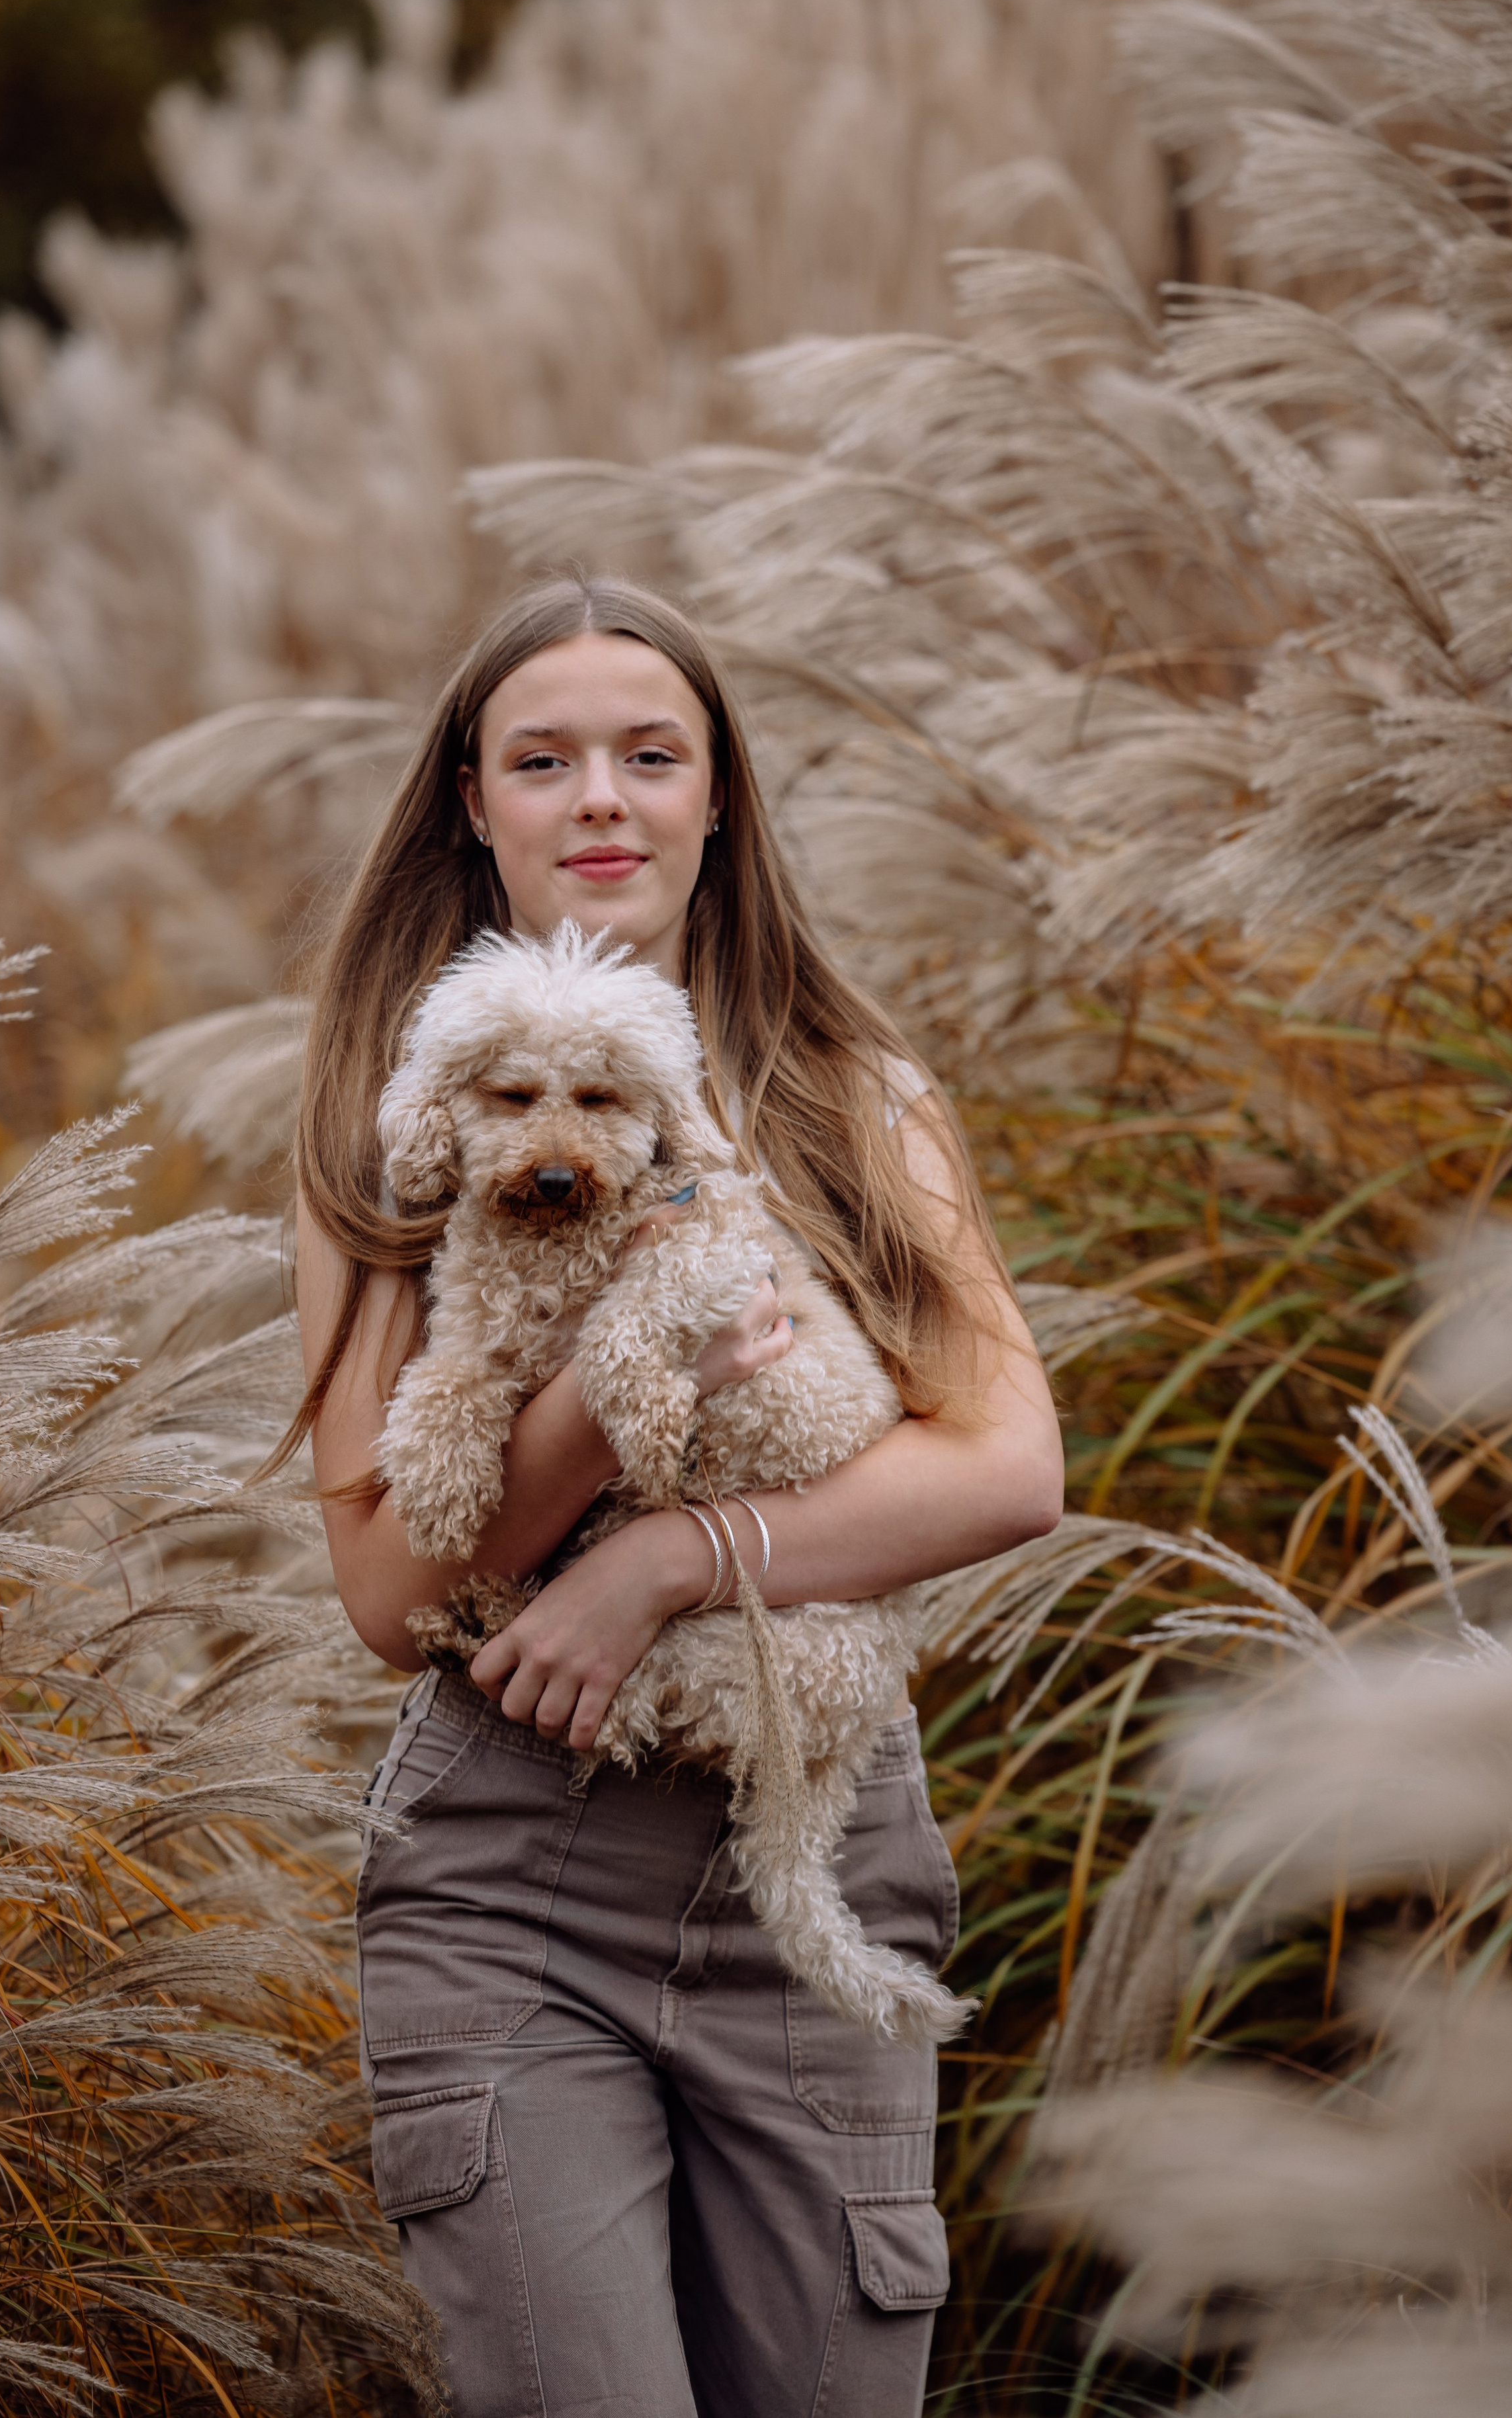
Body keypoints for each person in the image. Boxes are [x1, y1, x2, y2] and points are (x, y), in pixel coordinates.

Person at [290, 577, 1063, 2418]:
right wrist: (605, 1398)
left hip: (823, 1840)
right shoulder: (391, 1129)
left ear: (722, 799)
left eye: (654, 756)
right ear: (471, 803)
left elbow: (1011, 1468)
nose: (603, 801)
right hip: (507, 1887)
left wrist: (668, 1563)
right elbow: (396, 1593)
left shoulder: (853, 1095)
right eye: (543, 761)